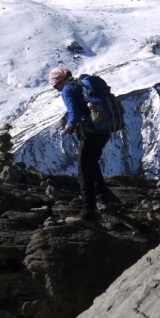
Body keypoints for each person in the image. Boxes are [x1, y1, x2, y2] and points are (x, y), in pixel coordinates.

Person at [49, 66, 112, 224]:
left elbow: (74, 112)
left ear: (61, 81)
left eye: (56, 86)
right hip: (104, 131)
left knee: (84, 171)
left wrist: (69, 126)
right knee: (92, 164)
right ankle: (104, 200)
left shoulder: (68, 90)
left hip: (89, 133)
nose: (57, 89)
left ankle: (87, 212)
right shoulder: (80, 85)